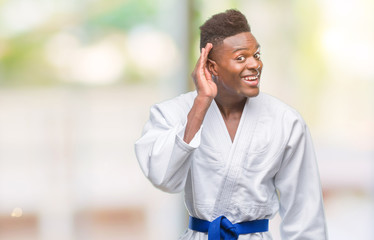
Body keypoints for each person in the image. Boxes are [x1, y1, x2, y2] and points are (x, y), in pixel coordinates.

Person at [135, 9, 328, 240]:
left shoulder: (286, 121)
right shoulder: (171, 113)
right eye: (240, 58)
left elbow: (304, 212)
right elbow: (164, 179)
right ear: (212, 66)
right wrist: (200, 104)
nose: (254, 64)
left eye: (256, 54)